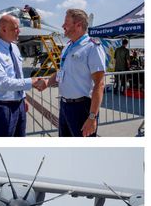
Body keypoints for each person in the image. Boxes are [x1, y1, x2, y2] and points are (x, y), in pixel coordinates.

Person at [0, 14, 47, 137]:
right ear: (3, 29)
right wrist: (32, 81)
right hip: (1, 107)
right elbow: (3, 83)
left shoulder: (14, 47)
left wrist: (23, 98)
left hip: (19, 104)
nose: (19, 31)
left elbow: (18, 74)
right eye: (15, 28)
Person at [44, 9, 106, 137]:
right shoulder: (68, 46)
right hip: (65, 106)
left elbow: (99, 84)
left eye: (66, 23)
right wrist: (47, 82)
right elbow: (61, 71)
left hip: (82, 108)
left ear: (78, 25)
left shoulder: (92, 47)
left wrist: (92, 117)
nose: (62, 26)